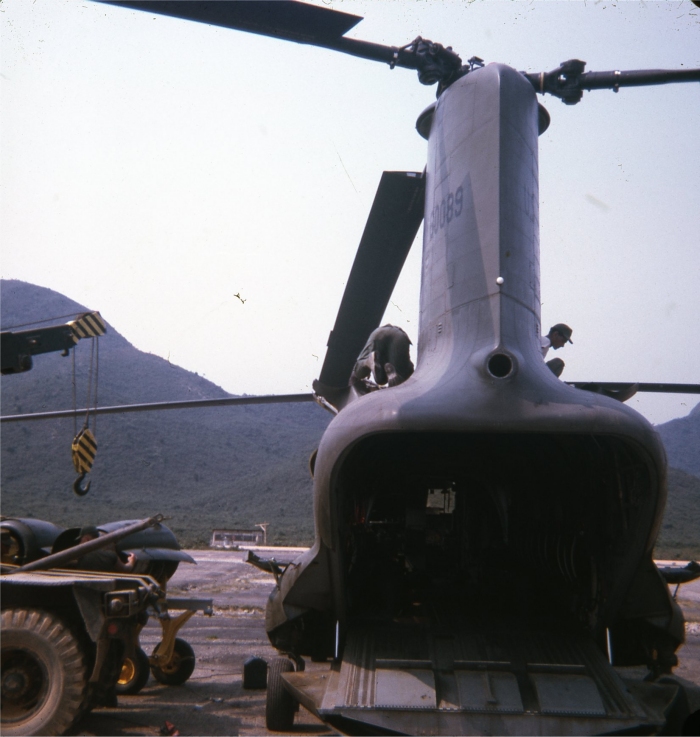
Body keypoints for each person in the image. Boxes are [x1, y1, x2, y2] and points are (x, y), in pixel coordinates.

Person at [351, 325, 414, 390]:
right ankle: (394, 377)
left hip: (379, 333)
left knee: (360, 373)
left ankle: (368, 361)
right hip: (399, 336)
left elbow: (353, 377)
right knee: (401, 379)